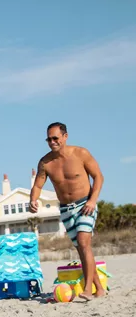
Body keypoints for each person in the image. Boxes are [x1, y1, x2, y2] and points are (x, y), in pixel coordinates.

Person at [30, 122, 106, 300]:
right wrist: (32, 200)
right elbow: (38, 185)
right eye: (48, 139)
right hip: (65, 209)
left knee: (83, 242)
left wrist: (93, 201)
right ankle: (100, 289)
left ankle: (88, 290)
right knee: (82, 249)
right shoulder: (45, 162)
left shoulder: (81, 153)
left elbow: (98, 176)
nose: (52, 142)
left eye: (55, 138)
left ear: (65, 136)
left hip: (85, 204)